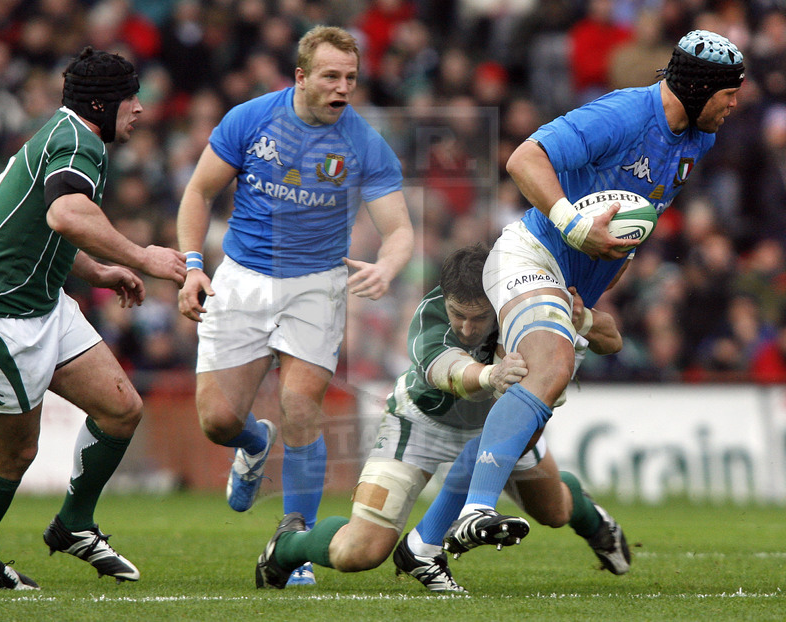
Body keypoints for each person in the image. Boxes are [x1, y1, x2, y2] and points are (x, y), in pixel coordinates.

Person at [442, 30, 745, 557]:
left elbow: (634, 227)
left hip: (571, 288)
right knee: (551, 365)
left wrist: (591, 292)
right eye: (729, 93)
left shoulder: (698, 139)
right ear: (698, 88)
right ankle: (471, 513)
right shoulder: (623, 115)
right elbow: (523, 159)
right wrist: (573, 225)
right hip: (530, 252)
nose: (736, 104)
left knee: (541, 485)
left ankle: (578, 516)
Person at [176, 25, 413, 586]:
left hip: (316, 285)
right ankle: (254, 443)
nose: (343, 88)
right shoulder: (250, 119)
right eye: (331, 76)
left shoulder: (363, 143)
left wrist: (387, 265)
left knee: (301, 403)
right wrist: (191, 266)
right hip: (242, 278)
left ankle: (295, 542)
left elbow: (399, 229)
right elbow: (198, 192)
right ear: (301, 77)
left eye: (351, 78)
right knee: (217, 421)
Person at [255, 244, 629, 592]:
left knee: (556, 511)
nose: (466, 328)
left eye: (479, 317)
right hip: (419, 425)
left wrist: (580, 318)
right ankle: (288, 545)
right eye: (458, 315)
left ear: (497, 299)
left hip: (498, 427)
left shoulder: (525, 303)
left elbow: (612, 341)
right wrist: (488, 375)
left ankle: (595, 522)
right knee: (359, 552)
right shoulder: (430, 314)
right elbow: (444, 370)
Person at [0, 46, 187, 590]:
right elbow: (64, 213)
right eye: (130, 99)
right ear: (102, 104)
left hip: (45, 305)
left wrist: (98, 272)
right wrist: (142, 257)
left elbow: (40, 227)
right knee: (15, 452)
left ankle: (74, 524)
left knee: (121, 409)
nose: (139, 110)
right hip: (0, 318)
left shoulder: (71, 135)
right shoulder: (78, 141)